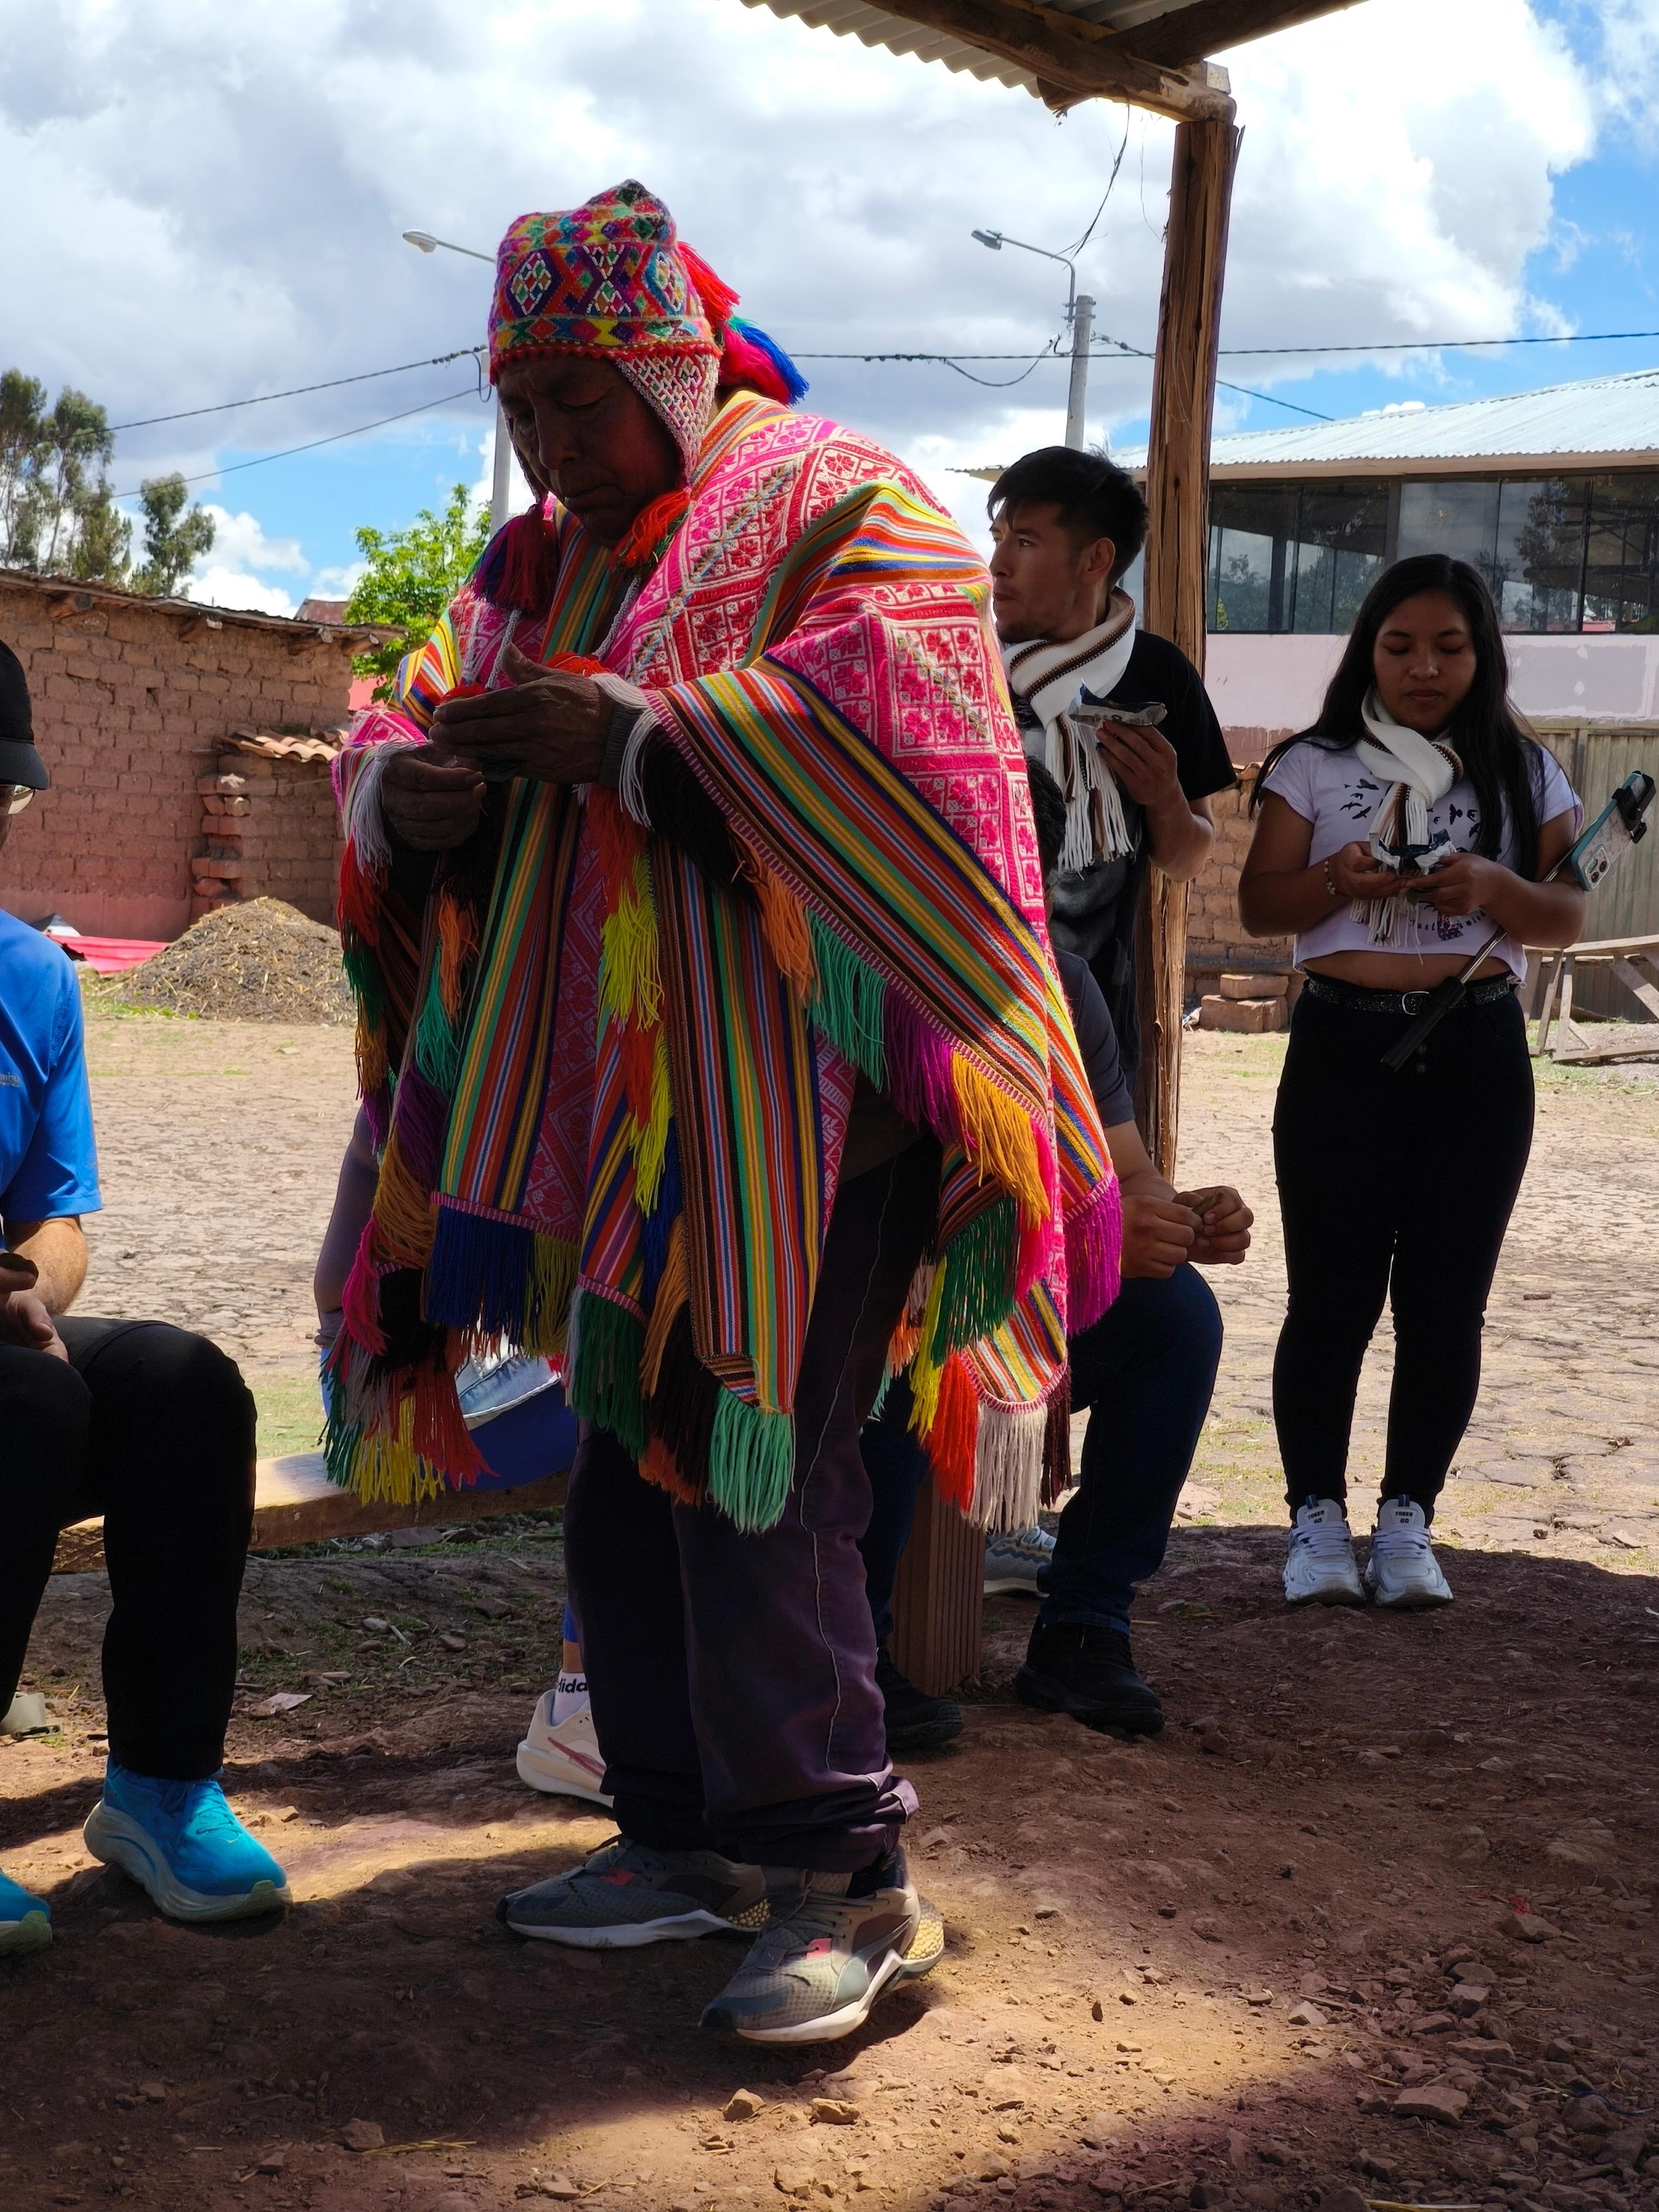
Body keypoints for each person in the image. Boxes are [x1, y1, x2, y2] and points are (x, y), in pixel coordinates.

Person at [324, 182, 1116, 2044]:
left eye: (580, 403)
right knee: (623, 1451)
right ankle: (673, 1834)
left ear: (670, 371)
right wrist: (410, 803)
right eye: (521, 408)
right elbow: (407, 714)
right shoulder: (536, 570)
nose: (551, 449)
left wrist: (636, 740)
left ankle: (850, 1876)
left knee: (756, 1466)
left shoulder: (844, 502)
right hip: (624, 1123)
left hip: (823, 1104)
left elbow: (916, 742)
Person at [860, 763, 1251, 1741]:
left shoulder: (1061, 987)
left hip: (1014, 1304)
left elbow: (1125, 1174)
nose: (1002, 876)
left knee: (1176, 1320)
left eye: (1017, 853)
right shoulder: (870, 972)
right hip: (886, 1304)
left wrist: (1175, 1219)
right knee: (906, 1326)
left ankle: (1082, 1626)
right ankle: (846, 1651)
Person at [0, 641, 287, 1953]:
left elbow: (58, 1217)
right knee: (25, 1403)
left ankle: (162, 1789)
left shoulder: (31, 975)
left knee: (182, 1384)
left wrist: (28, 1287)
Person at [1239, 555, 1584, 1610]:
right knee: (1331, 1297)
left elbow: (1566, 917)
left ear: (1483, 655)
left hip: (1476, 1054)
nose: (1424, 668)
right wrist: (1334, 879)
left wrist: (1492, 886)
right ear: (1367, 654)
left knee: (1445, 1304)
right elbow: (1263, 907)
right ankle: (1314, 1525)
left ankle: (1406, 1523)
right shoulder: (1311, 763)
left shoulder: (1526, 775)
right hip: (1342, 1052)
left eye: (1449, 646)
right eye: (1399, 647)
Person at [976, 446, 1238, 1607]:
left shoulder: (1158, 676)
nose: (1001, 564)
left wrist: (1164, 803)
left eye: (1028, 542)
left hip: (1095, 1024)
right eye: (999, 537)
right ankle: (954, 1520)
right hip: (962, 1008)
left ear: (1094, 559)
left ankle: (1032, 1548)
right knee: (989, 1257)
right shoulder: (954, 661)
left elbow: (1187, 859)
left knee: (1111, 1263)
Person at [312, 1109, 606, 1805]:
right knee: (642, 1403)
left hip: (366, 1375)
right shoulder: (497, 1059)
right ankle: (584, 1709)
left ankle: (605, 1694)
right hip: (408, 1394)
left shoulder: (439, 1045)